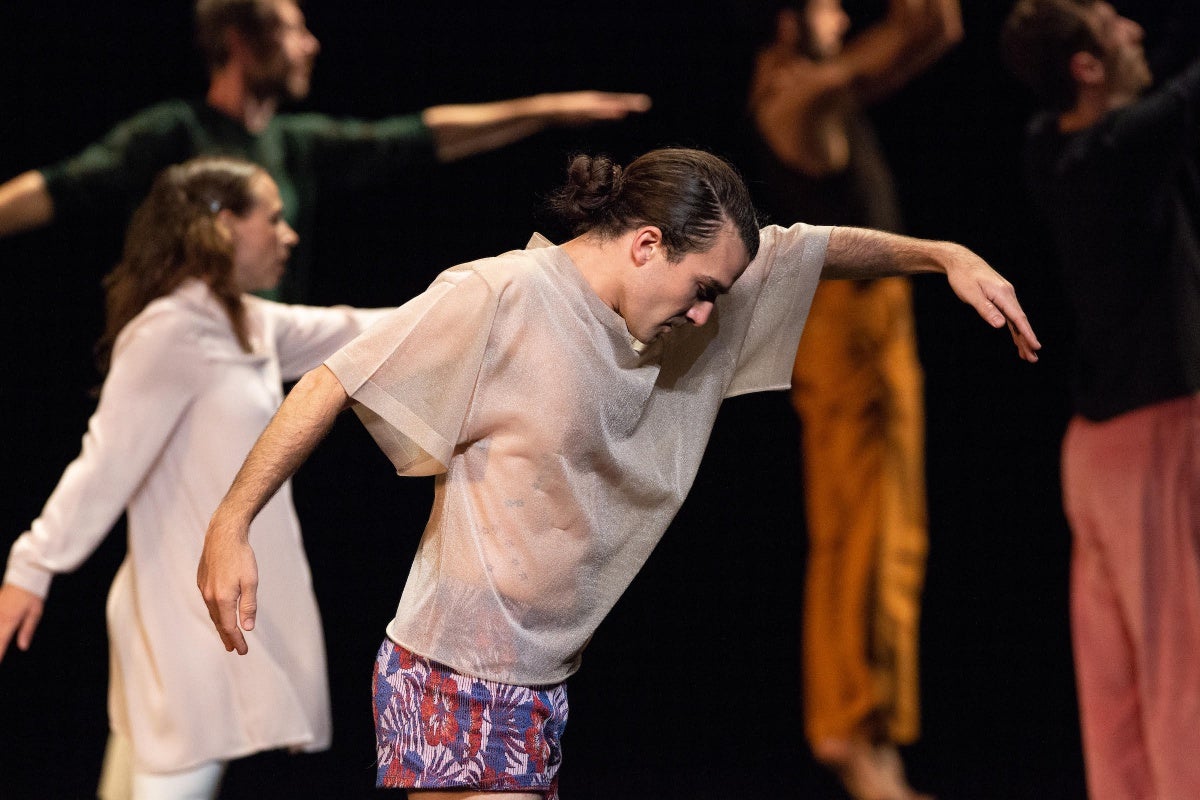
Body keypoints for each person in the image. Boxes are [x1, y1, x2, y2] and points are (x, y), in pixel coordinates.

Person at [196, 147, 1040, 799]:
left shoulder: (693, 297)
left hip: (542, 686)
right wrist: (233, 522)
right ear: (645, 244)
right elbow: (329, 381)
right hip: (455, 675)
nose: (712, 311)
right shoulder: (502, 295)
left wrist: (941, 256)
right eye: (703, 288)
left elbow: (816, 252)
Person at [0, 156, 397, 800]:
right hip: (181, 626)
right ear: (221, 225)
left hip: (205, 615)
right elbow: (102, 466)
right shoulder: (169, 331)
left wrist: (477, 301)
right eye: (272, 218)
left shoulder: (248, 322)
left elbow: (360, 328)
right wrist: (31, 568)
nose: (288, 234)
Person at [0, 0, 651, 302]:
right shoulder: (172, 133)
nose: (310, 44)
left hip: (257, 365)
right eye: (290, 28)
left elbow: (421, 137)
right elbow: (58, 187)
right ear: (241, 39)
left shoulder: (296, 144)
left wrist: (545, 111)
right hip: (175, 355)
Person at [746, 1, 961, 797]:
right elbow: (929, 29)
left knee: (866, 523)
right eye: (825, 3)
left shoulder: (805, 89)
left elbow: (920, 39)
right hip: (852, 330)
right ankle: (853, 729)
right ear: (785, 19)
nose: (840, 14)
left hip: (852, 327)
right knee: (871, 527)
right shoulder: (796, 98)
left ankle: (861, 732)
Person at [1001, 3, 1200, 799]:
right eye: (1115, 25)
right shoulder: (1117, 152)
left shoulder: (1047, 147)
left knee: (1114, 681)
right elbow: (1184, 95)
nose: (1137, 27)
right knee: (1180, 659)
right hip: (1157, 434)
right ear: (1084, 65)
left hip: (1092, 451)